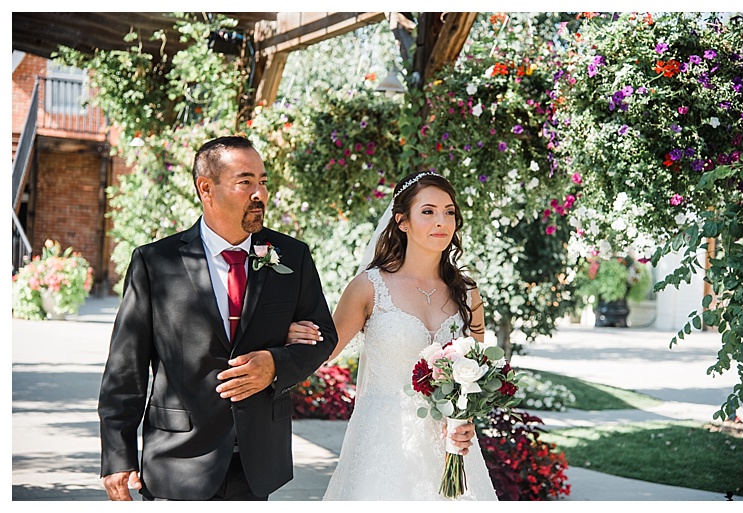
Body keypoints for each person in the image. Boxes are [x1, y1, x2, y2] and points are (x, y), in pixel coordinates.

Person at [98, 136, 339, 500]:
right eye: (246, 182)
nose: (260, 193)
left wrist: (275, 364)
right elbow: (125, 368)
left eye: (263, 181)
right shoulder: (155, 263)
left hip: (257, 460)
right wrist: (118, 454)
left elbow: (324, 336)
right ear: (206, 188)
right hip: (177, 458)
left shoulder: (292, 256)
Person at [284, 172, 496, 500]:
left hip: (449, 446)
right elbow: (325, 349)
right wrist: (294, 335)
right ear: (402, 221)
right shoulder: (369, 287)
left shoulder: (467, 293)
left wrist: (464, 419)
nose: (442, 221)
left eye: (449, 211)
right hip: (382, 442)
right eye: (428, 211)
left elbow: (475, 371)